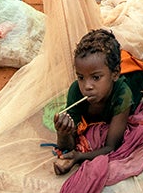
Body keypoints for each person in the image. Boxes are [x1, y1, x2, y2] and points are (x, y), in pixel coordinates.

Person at [53, 29, 136, 176]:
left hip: (136, 78)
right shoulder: (76, 91)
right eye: (81, 77)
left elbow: (111, 147)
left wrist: (79, 157)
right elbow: (67, 145)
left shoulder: (122, 94)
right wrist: (62, 132)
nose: (87, 86)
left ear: (115, 74)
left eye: (96, 78)